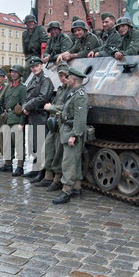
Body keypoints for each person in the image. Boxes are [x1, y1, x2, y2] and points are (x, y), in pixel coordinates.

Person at [52, 67, 90, 204]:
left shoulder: (79, 96)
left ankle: (66, 191)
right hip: (67, 130)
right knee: (75, 162)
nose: (66, 80)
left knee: (68, 163)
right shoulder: (73, 93)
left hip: (72, 132)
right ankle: (77, 188)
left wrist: (74, 135)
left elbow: (80, 119)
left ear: (73, 80)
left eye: (68, 78)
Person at [35, 63, 71, 191]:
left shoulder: (71, 91)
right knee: (48, 150)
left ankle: (57, 180)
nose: (62, 78)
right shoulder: (61, 89)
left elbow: (67, 107)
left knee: (58, 154)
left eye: (64, 76)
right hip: (54, 125)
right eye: (60, 75)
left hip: (63, 125)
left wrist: (52, 108)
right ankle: (48, 176)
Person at [21, 57, 54, 182]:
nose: (34, 68)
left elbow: (43, 97)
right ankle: (35, 169)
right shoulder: (33, 80)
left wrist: (28, 106)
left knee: (41, 146)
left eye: (36, 66)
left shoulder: (45, 81)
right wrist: (25, 106)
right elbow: (27, 96)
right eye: (32, 67)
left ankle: (42, 172)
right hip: (33, 116)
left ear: (41, 66)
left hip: (40, 116)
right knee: (34, 144)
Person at [0, 64, 27, 176]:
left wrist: (22, 122)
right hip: (7, 118)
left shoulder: (22, 88)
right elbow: (3, 102)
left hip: (17, 119)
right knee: (7, 143)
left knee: (19, 143)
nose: (13, 74)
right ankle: (8, 164)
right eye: (12, 72)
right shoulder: (8, 87)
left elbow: (25, 106)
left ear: (20, 74)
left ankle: (20, 167)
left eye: (15, 72)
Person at [22, 14, 48, 82]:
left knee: (39, 69)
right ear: (26, 23)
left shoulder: (40, 29)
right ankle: (25, 85)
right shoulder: (25, 34)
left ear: (34, 22)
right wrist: (26, 60)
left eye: (32, 22)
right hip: (31, 55)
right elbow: (25, 49)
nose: (30, 23)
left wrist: (42, 56)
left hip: (40, 54)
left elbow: (44, 43)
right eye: (28, 22)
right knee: (26, 69)